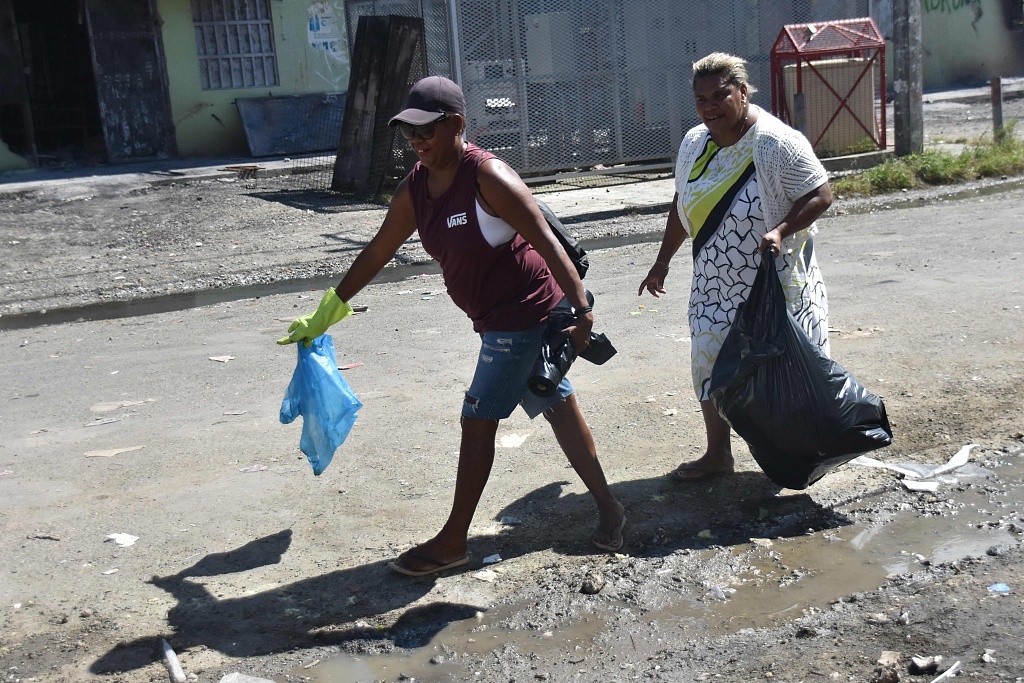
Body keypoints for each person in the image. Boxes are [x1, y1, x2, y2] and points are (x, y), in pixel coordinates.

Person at [280, 76, 626, 575]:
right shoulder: (415, 189)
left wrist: (581, 308)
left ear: (456, 125)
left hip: (524, 315)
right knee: (558, 405)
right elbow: (379, 250)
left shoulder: (488, 177)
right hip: (494, 320)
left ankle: (453, 541)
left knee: (477, 419)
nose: (417, 142)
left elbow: (547, 241)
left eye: (427, 131)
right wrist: (327, 310)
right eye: (409, 134)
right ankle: (611, 510)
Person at [638, 53, 834, 481]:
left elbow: (821, 194)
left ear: (743, 92)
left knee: (783, 370)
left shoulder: (775, 142)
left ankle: (803, 454)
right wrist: (662, 261)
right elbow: (682, 203)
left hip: (775, 283)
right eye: (701, 99)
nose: (711, 106)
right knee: (707, 361)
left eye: (720, 95)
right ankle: (718, 455)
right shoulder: (694, 143)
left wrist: (781, 230)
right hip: (714, 282)